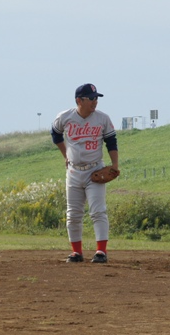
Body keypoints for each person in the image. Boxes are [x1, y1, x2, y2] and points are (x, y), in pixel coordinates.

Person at [51, 82, 119, 264]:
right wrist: (65, 155)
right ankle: (76, 252)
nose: (95, 102)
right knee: (73, 214)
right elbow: (55, 134)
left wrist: (115, 164)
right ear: (79, 100)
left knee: (98, 211)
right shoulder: (65, 117)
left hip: (95, 169)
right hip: (73, 171)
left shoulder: (102, 119)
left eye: (96, 98)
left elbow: (111, 141)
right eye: (91, 98)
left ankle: (101, 252)